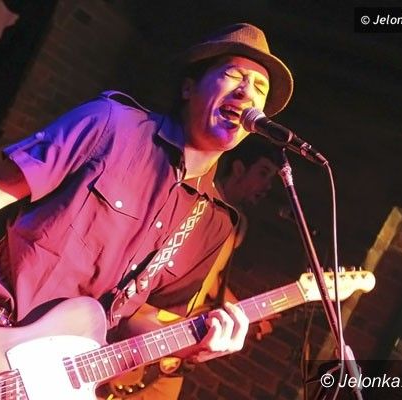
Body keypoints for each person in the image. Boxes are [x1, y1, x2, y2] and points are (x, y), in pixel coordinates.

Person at [0, 22, 294, 392]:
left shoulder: (214, 222)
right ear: (188, 88)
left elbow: (142, 318)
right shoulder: (111, 125)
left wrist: (197, 344)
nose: (247, 92)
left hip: (60, 380)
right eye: (233, 75)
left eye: (260, 88)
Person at [98, 136, 281, 399]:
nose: (267, 186)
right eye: (263, 173)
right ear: (239, 168)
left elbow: (211, 275)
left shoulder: (238, 224)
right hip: (142, 326)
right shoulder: (197, 204)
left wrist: (239, 308)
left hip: (178, 338)